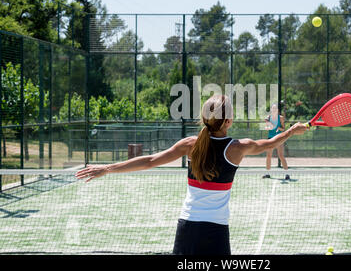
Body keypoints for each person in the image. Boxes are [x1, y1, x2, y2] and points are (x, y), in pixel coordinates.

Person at [75, 94, 308, 255]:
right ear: (228, 121)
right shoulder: (238, 147)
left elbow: (149, 161)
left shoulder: (190, 144)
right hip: (216, 231)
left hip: (187, 229)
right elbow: (270, 143)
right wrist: (291, 131)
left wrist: (107, 168)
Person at [263, 103, 289, 180]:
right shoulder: (268, 118)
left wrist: (278, 128)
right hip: (270, 138)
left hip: (279, 138)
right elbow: (267, 127)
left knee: (281, 155)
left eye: (275, 109)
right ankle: (268, 173)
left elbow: (283, 128)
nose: (274, 110)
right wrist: (267, 127)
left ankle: (287, 174)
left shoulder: (281, 118)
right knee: (268, 156)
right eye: (273, 108)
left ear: (277, 110)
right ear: (271, 110)